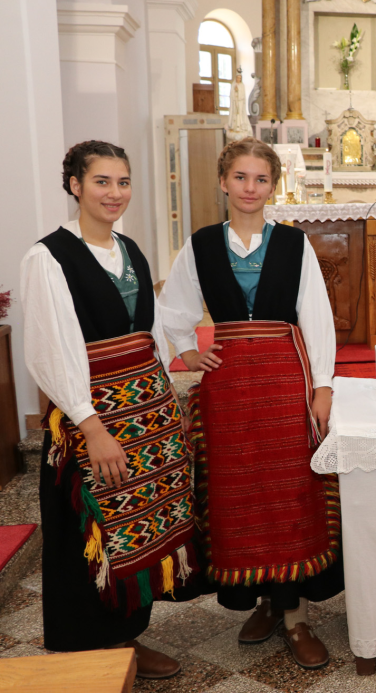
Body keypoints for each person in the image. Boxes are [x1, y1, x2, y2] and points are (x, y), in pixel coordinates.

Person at [158, 137, 342, 669]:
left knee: (289, 490)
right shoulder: (200, 245)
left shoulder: (292, 243)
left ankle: (295, 614)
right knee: (241, 489)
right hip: (231, 384)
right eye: (240, 177)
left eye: (261, 179)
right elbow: (174, 307)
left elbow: (316, 314)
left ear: (273, 186)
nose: (250, 188)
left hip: (285, 377)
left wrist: (323, 384)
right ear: (223, 182)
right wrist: (189, 353)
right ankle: (261, 599)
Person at [21, 141, 202, 678]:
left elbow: (144, 336)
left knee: (137, 524)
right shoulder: (49, 256)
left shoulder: (130, 250)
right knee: (88, 531)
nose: (114, 193)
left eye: (122, 182)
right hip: (91, 417)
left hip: (144, 412)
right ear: (75, 185)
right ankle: (87, 651)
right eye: (101, 181)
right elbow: (49, 351)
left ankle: (125, 638)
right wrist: (91, 427)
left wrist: (168, 397)